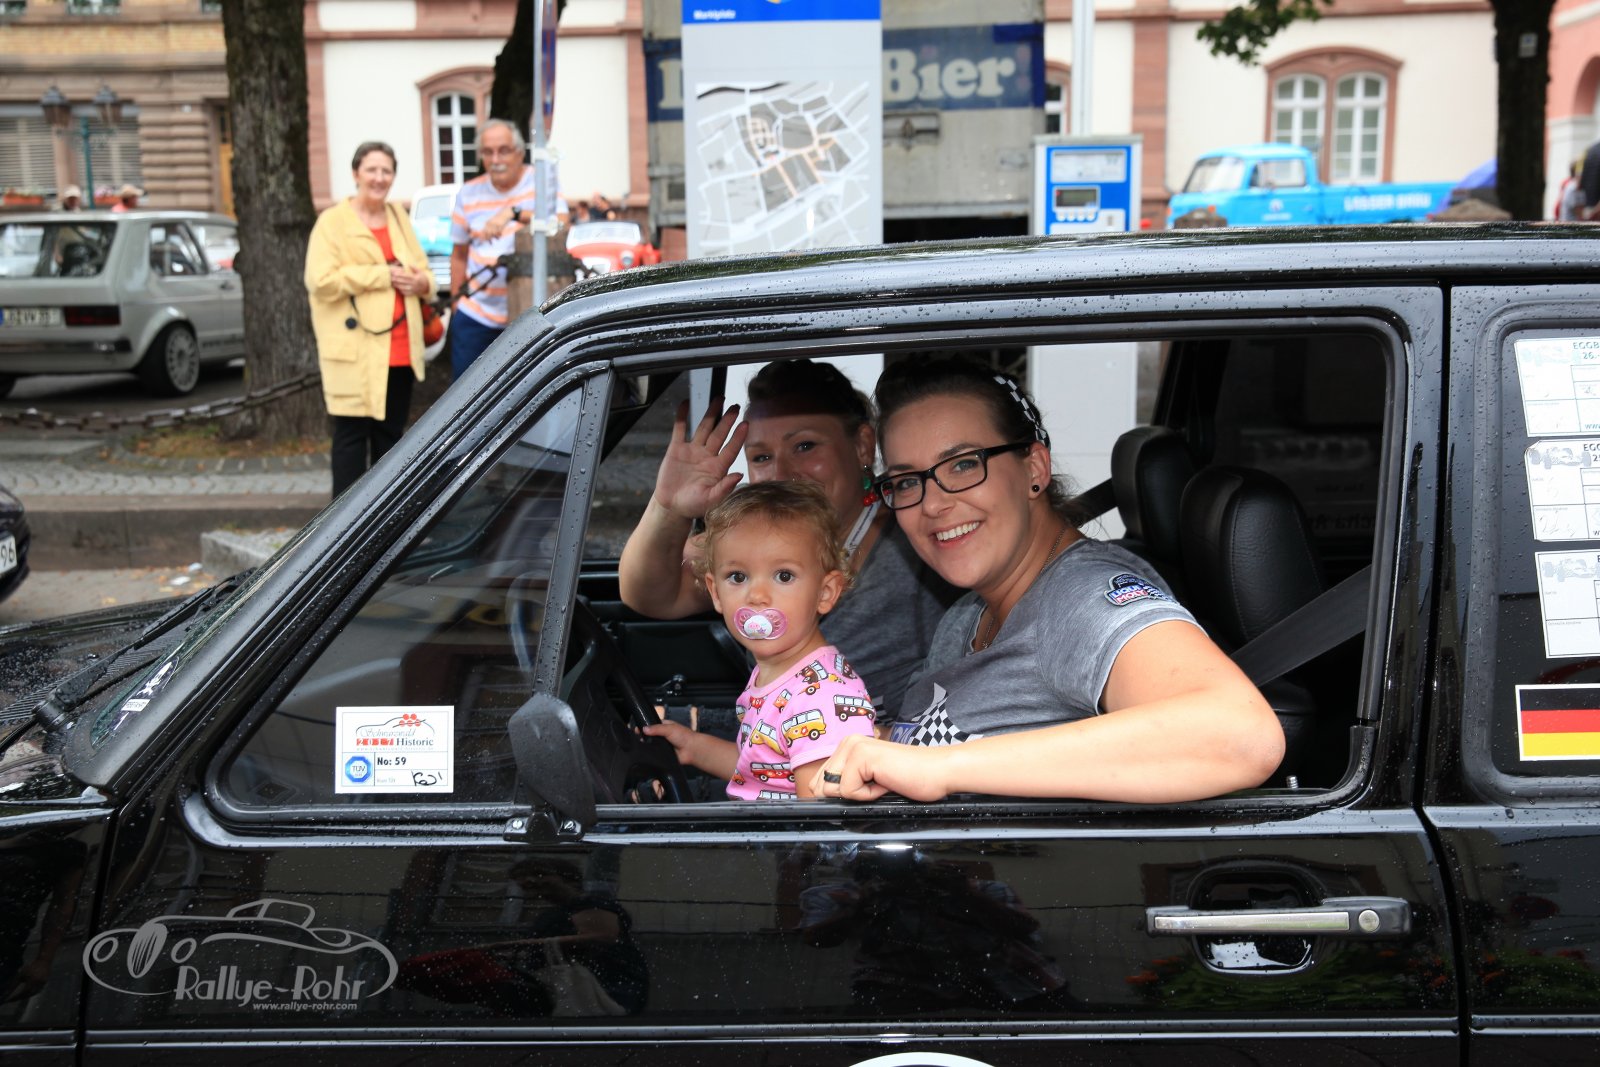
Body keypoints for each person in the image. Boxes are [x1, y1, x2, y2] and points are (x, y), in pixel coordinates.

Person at [811, 357, 1284, 804]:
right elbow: (926, 743)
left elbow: (1239, 735)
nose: (933, 504)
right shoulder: (968, 616)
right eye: (907, 481)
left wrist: (940, 768)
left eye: (964, 464)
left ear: (1034, 469)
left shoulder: (1081, 597)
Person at [618, 358, 958, 720]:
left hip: (882, 747)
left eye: (805, 446)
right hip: (773, 739)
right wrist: (669, 508)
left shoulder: (916, 532)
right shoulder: (755, 533)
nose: (781, 473)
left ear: (862, 445)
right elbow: (650, 595)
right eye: (762, 457)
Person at [643, 481, 877, 799]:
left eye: (784, 575)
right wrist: (694, 747)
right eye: (738, 577)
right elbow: (762, 770)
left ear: (825, 593)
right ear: (715, 592)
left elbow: (818, 817)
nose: (757, 595)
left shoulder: (822, 698)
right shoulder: (779, 672)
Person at [304, 140, 434, 498]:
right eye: (372, 170)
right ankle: (344, 526)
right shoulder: (332, 222)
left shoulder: (398, 217)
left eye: (386, 171)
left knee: (390, 441)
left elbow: (424, 272)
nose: (379, 178)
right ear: (355, 174)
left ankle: (386, 522)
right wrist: (381, 275)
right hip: (355, 351)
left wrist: (422, 283)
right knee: (351, 439)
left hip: (400, 349)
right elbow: (320, 281)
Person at [447, 118, 567, 380]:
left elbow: (561, 224)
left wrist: (512, 214)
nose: (496, 159)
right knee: (468, 392)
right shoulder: (468, 193)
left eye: (503, 150)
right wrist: (457, 305)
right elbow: (458, 255)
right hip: (477, 315)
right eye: (488, 152)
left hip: (530, 313)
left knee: (530, 391)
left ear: (519, 152)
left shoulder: (540, 182)